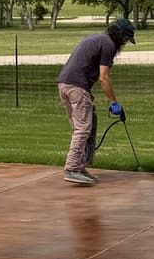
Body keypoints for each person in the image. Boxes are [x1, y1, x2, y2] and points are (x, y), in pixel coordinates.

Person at [56, 18, 134, 185]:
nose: (126, 42)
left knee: (86, 124)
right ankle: (72, 168)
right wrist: (114, 102)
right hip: (77, 86)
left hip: (65, 84)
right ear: (119, 34)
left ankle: (80, 167)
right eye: (126, 38)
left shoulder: (97, 38)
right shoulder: (109, 45)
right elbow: (104, 78)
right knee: (83, 128)